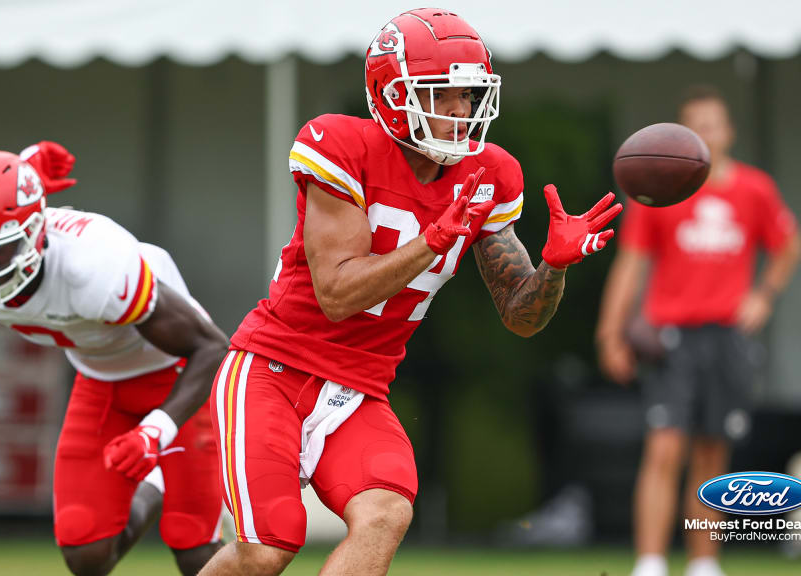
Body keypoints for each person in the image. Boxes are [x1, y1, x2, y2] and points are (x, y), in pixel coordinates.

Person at [198, 8, 623, 576]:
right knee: (268, 546)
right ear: (393, 95)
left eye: (469, 95)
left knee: (385, 511)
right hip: (273, 369)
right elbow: (337, 294)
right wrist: (433, 238)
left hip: (359, 386)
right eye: (441, 94)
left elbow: (521, 317)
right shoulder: (342, 146)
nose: (460, 111)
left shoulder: (487, 174)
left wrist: (552, 266)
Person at [0, 142, 229, 576]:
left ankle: (168, 471)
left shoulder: (95, 266)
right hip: (101, 379)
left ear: (36, 231)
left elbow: (211, 348)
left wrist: (155, 431)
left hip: (178, 375)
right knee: (86, 552)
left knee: (192, 548)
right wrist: (26, 169)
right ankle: (157, 483)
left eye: (1, 251)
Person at [595, 86, 801, 576]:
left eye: (714, 123)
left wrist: (764, 295)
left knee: (714, 450)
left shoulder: (754, 189)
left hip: (727, 337)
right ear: (680, 134)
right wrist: (611, 334)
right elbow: (630, 265)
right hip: (672, 335)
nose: (706, 132)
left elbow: (790, 244)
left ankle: (703, 564)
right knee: (665, 447)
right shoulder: (661, 187)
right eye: (696, 124)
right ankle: (650, 562)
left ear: (728, 131)